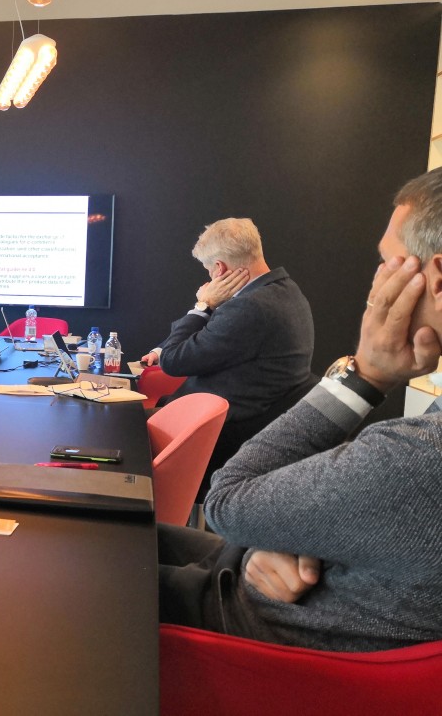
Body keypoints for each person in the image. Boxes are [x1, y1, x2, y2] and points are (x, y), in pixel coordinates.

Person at [158, 167, 442, 653]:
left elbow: (226, 503)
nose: (375, 284)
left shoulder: (416, 453)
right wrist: (286, 535)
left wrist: (367, 374)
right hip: (262, 569)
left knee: (70, 561)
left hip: (235, 633)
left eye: (387, 262)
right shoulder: (284, 293)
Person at [141, 217, 314, 422]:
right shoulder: (286, 291)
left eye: (208, 270)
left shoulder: (249, 307)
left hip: (211, 426)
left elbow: (172, 361)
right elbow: (211, 335)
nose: (209, 276)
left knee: (120, 422)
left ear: (219, 268)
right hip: (246, 414)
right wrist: (160, 350)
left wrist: (203, 304)